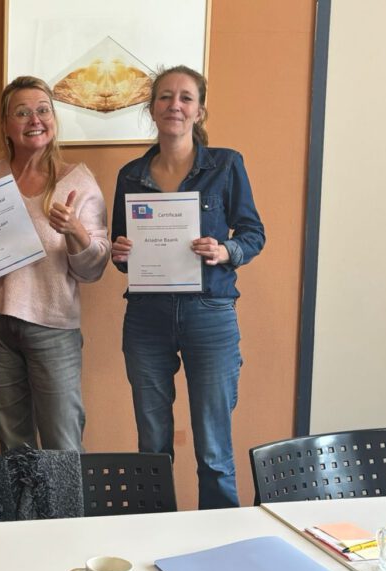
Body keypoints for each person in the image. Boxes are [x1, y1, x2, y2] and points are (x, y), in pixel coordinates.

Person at [110, 65, 265, 509]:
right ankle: (155, 532)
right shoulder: (130, 174)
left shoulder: (226, 165)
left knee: (213, 448)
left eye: (185, 98)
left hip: (209, 313)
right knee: (152, 444)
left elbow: (253, 234)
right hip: (146, 318)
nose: (174, 105)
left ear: (199, 110)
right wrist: (121, 252)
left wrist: (225, 251)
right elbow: (122, 255)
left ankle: (219, 540)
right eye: (164, 97)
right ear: (151, 108)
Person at [0, 76, 110, 452]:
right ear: (5, 125)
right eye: (22, 112)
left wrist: (75, 230)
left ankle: (66, 497)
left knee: (63, 442)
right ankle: (22, 497)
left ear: (54, 119)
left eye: (43, 110)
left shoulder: (78, 182)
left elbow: (93, 269)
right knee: (14, 445)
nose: (35, 120)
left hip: (53, 326)